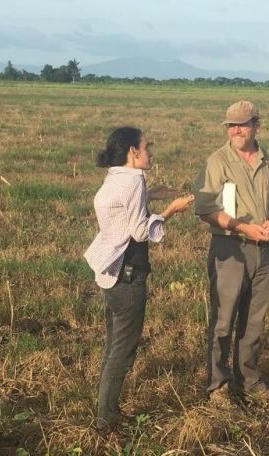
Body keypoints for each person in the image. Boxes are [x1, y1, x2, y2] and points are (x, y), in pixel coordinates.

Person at [83, 126, 194, 433]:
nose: (150, 154)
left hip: (111, 274)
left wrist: (151, 193)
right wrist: (171, 210)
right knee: (123, 352)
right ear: (133, 152)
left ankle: (106, 410)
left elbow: (122, 205)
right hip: (129, 276)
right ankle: (106, 421)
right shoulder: (133, 180)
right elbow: (140, 231)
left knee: (113, 346)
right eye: (146, 148)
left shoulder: (116, 175)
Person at [193, 100, 269, 405]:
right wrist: (244, 228)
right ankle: (218, 387)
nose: (235, 130)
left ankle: (248, 380)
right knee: (223, 321)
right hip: (229, 249)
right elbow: (204, 209)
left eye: (242, 125)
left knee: (254, 321)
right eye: (230, 125)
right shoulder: (217, 161)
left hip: (263, 250)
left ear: (256, 126)